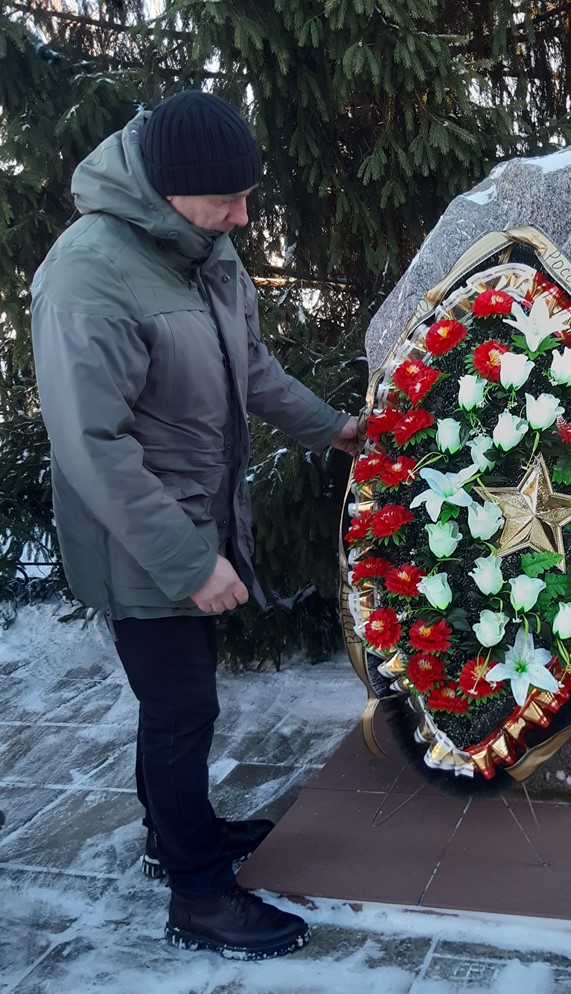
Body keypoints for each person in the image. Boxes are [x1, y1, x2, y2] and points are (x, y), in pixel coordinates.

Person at [31, 90, 358, 961]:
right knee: (183, 710)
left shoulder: (203, 248)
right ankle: (200, 897)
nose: (244, 217)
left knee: (175, 705)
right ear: (169, 190)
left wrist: (331, 427)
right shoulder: (87, 274)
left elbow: (250, 366)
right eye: (227, 199)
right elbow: (92, 446)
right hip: (137, 541)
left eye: (247, 196)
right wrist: (188, 562)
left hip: (192, 521)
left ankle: (173, 835)